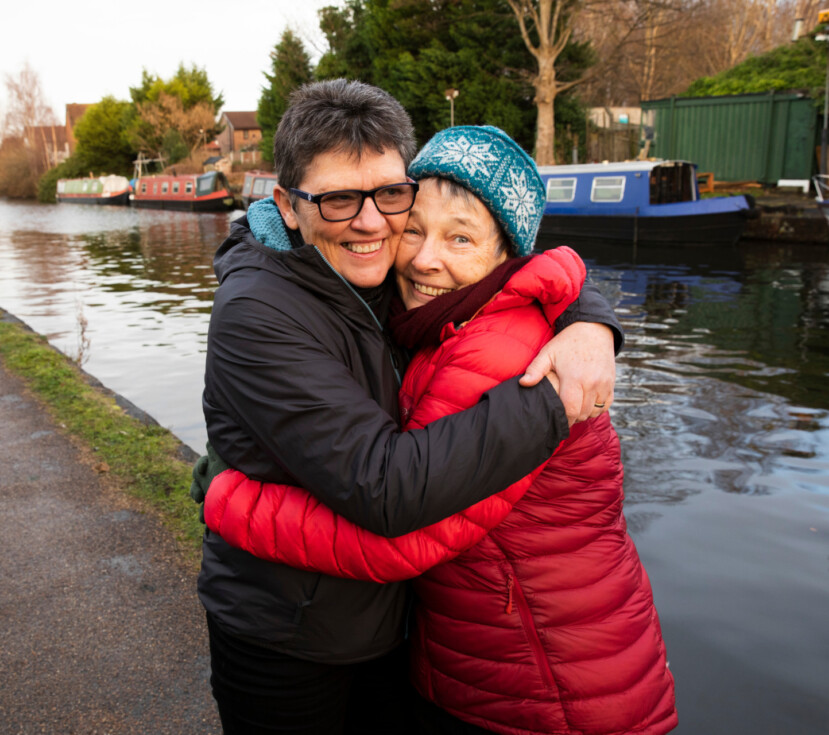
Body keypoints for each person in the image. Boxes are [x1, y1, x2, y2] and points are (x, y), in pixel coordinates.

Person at [204, 125, 677, 735]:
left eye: (460, 238)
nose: (425, 258)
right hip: (500, 662)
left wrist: (233, 500)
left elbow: (405, 526)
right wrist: (588, 315)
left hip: (549, 682)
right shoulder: (433, 321)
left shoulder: (504, 353)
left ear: (509, 254)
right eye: (416, 230)